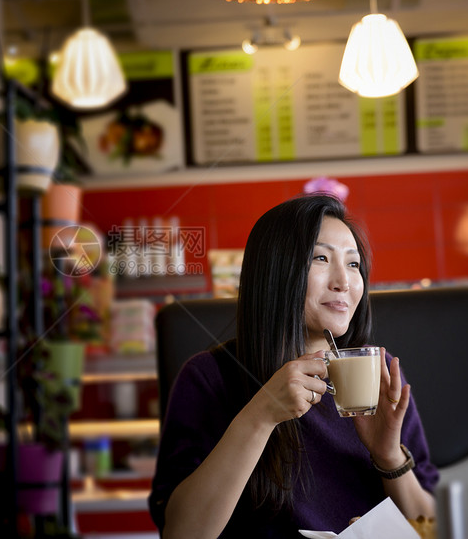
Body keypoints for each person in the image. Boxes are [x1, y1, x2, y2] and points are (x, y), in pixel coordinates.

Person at [149, 194, 438, 538]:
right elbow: (182, 533)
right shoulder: (210, 378)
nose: (343, 282)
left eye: (353, 264)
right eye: (320, 257)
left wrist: (389, 456)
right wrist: (261, 415)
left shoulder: (377, 372)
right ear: (276, 271)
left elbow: (430, 524)